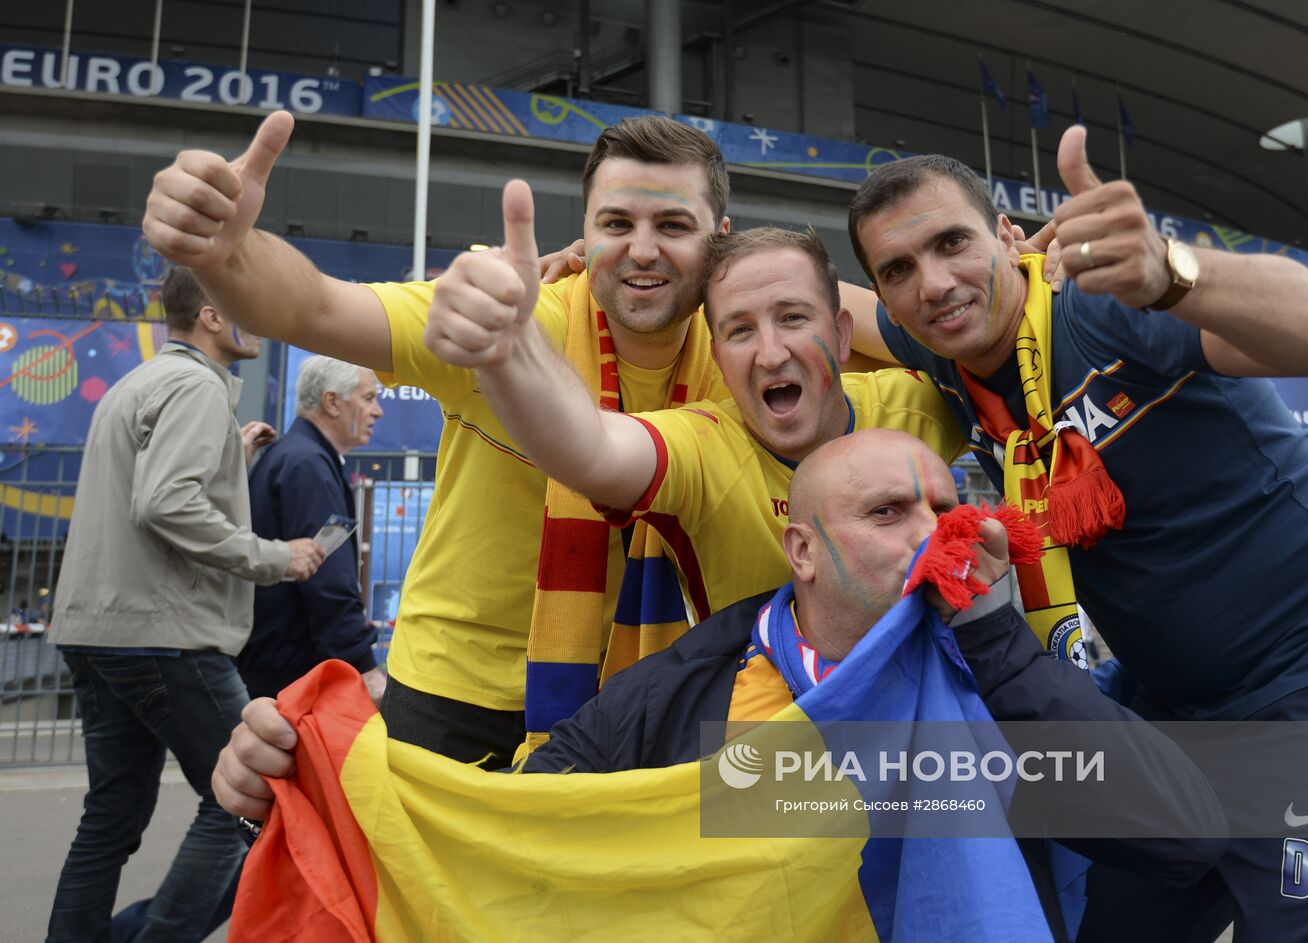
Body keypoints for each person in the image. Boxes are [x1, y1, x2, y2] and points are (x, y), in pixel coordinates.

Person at [216, 431, 1228, 942]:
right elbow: (519, 828)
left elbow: (1182, 834)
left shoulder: (996, 668)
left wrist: (999, 640)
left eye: (941, 503)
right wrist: (319, 774)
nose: (932, 531)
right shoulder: (699, 675)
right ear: (802, 546)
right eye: (887, 511)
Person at [845, 125, 1308, 941]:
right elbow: (798, 304)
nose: (933, 283)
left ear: (1006, 236)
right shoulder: (937, 350)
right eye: (899, 269)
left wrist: (1173, 275)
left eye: (952, 242)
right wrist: (593, 278)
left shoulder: (1104, 309)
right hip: (1176, 703)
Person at [143, 111, 745, 766]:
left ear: (721, 239)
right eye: (617, 224)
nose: (644, 248)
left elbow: (871, 320)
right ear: (586, 232)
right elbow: (318, 306)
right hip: (452, 701)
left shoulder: (748, 359)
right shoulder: (509, 321)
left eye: (674, 225)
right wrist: (228, 254)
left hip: (643, 702)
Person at [423, 200, 966, 635]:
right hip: (760, 751)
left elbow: (1014, 360)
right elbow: (592, 449)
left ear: (845, 334)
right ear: (717, 353)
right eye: (739, 330)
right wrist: (511, 355)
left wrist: (1033, 276)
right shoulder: (704, 445)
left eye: (794, 318)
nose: (771, 353)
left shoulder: (923, 402)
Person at [44, 266, 326, 943]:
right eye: (243, 306)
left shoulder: (136, 383)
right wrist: (273, 556)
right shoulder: (199, 388)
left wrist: (228, 452)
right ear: (210, 315)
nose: (253, 317)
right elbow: (166, 502)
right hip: (166, 633)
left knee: (112, 814)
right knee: (245, 796)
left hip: (98, 625)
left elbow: (144, 489)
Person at [239, 355, 387, 702]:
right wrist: (363, 664)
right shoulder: (307, 465)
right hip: (292, 669)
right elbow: (328, 581)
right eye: (368, 398)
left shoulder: (294, 455)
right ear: (332, 402)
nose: (378, 411)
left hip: (272, 658)